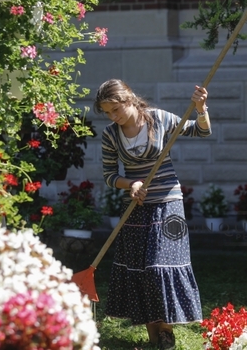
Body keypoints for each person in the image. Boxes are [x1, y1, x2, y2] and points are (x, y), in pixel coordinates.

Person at [94, 79, 211, 350]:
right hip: (136, 206)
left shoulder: (159, 120)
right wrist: (131, 184)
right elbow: (110, 176)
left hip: (168, 202)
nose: (114, 116)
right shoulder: (111, 134)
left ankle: (166, 331)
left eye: (116, 108)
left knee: (159, 266)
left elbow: (200, 132)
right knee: (141, 269)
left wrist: (200, 108)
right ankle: (154, 336)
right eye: (108, 112)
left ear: (129, 98)